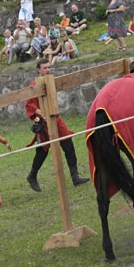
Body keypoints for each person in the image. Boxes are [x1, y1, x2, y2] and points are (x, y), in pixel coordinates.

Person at [25, 59, 89, 191]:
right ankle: (32, 175)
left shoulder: (52, 81)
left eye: (49, 67)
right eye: (45, 68)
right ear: (39, 69)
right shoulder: (34, 85)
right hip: (43, 122)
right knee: (42, 151)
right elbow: (29, 104)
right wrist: (40, 112)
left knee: (68, 142)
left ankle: (75, 177)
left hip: (55, 118)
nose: (48, 70)